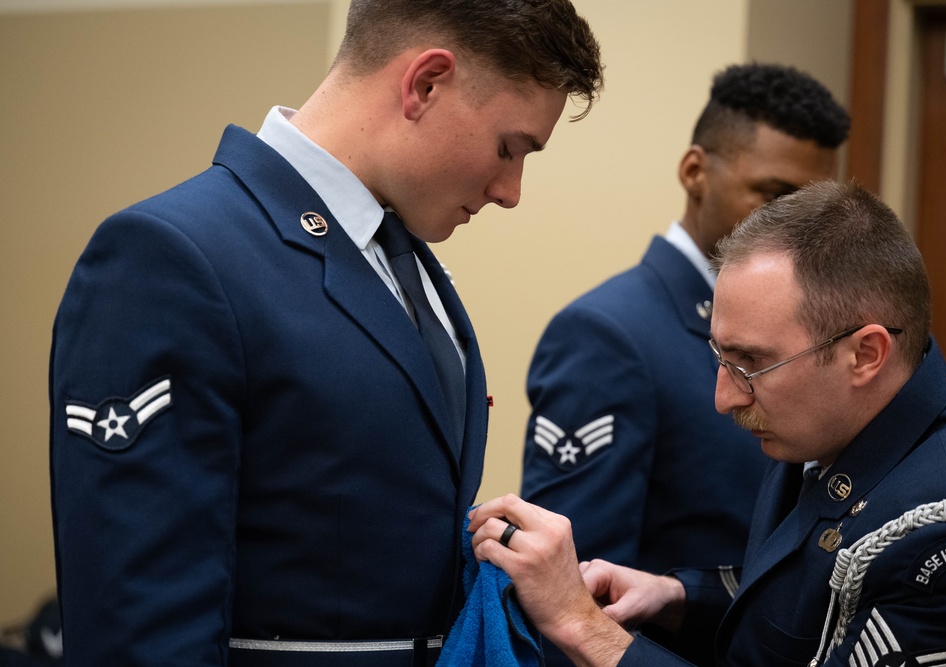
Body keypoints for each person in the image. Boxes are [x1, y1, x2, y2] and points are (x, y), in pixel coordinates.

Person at [48, 1, 603, 665]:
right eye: (509, 147)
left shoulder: (407, 263)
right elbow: (136, 620)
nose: (511, 190)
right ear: (424, 84)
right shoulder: (171, 256)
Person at [471, 180, 946, 666]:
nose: (724, 398)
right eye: (722, 358)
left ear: (865, 355)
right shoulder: (827, 421)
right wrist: (677, 598)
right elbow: (809, 600)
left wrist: (580, 626)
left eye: (752, 364)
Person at [520, 63, 849, 664]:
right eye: (773, 195)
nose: (796, 226)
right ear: (695, 171)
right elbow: (575, 583)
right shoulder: (610, 333)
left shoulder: (813, 329)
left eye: (811, 204)